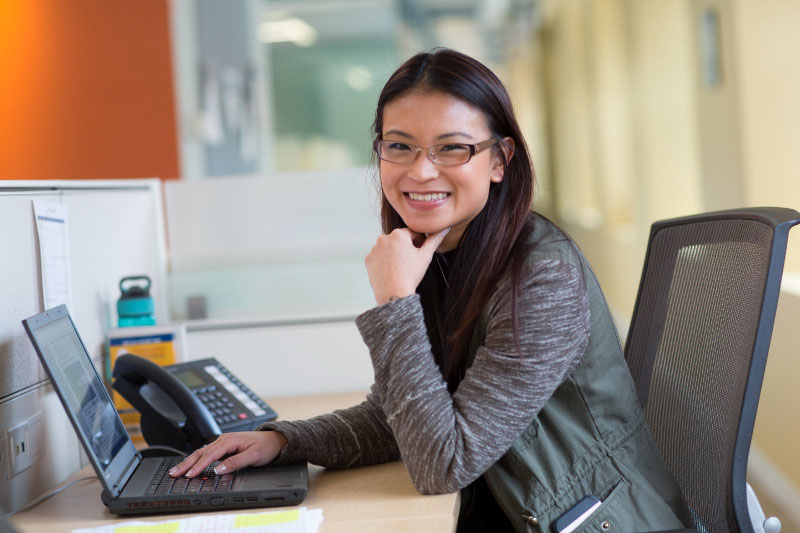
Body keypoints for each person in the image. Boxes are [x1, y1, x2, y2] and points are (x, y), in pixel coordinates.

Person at [170, 48, 691, 531]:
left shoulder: (541, 276)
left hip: (590, 520)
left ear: (498, 160)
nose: (421, 170)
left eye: (452, 148)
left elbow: (444, 462)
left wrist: (396, 302)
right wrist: (284, 441)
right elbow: (401, 418)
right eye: (399, 146)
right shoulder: (445, 255)